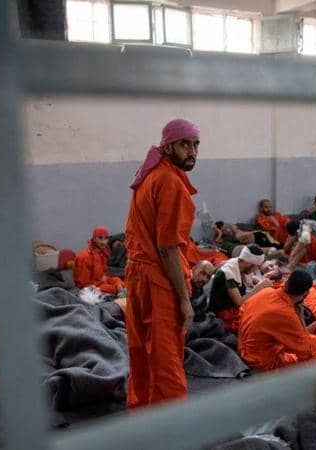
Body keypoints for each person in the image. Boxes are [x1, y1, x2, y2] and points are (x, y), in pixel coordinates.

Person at [124, 118, 200, 408]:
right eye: (185, 144)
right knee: (165, 359)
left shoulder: (149, 174)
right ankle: (172, 426)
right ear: (168, 146)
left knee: (140, 354)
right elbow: (168, 248)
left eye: (195, 145)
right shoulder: (169, 182)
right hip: (158, 280)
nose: (192, 151)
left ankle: (142, 418)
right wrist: (184, 300)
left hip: (137, 274)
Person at [238, 270, 316, 372]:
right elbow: (305, 352)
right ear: (306, 293)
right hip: (261, 361)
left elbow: (242, 311)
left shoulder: (266, 291)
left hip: (247, 348)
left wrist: (301, 319)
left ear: (287, 282)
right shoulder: (286, 313)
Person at [208, 245, 271, 333]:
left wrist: (260, 281)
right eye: (256, 267)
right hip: (224, 314)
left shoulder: (239, 265)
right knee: (260, 325)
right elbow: (239, 302)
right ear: (249, 263)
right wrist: (259, 287)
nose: (255, 270)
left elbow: (250, 279)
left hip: (234, 310)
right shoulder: (228, 273)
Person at [74, 226, 126, 296]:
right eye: (100, 238)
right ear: (94, 239)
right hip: (89, 290)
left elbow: (104, 276)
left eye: (106, 238)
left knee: (121, 283)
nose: (103, 242)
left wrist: (118, 283)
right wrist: (113, 288)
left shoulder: (102, 254)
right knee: (114, 288)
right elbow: (84, 285)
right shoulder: (84, 257)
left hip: (100, 283)